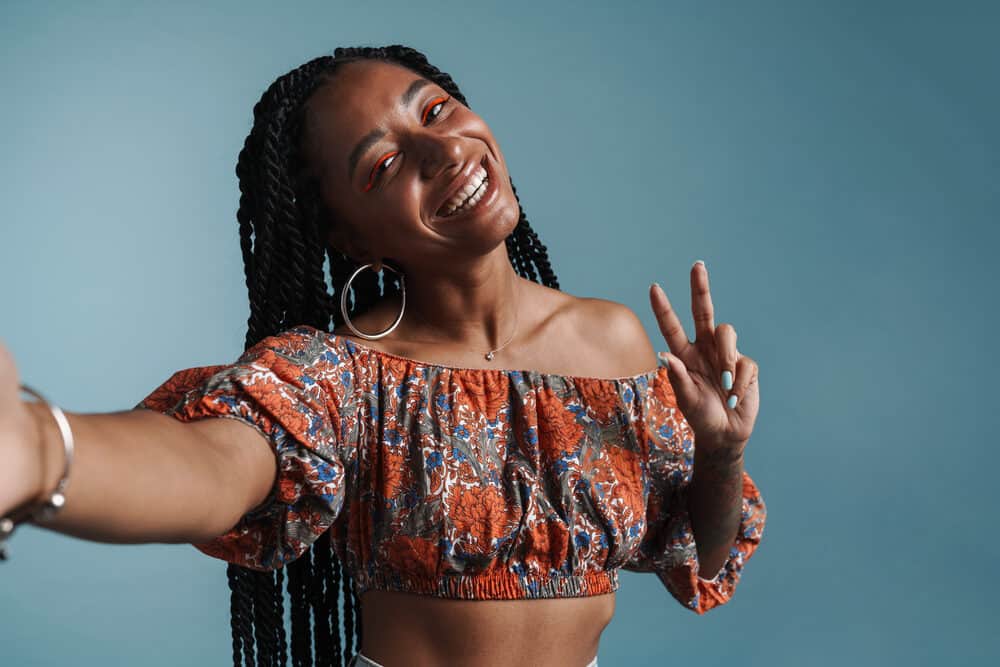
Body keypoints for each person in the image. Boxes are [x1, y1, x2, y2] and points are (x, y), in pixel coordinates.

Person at [0, 45, 767, 667]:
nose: (442, 149)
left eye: (435, 110)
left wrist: (722, 452)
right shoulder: (344, 375)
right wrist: (39, 451)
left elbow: (700, 551)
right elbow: (211, 466)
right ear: (350, 239)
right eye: (384, 166)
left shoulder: (612, 340)